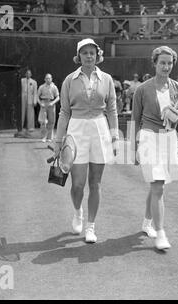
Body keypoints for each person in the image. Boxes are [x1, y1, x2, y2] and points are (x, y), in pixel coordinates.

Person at [53, 38, 119, 243]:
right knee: (78, 185)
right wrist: (58, 142)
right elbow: (64, 112)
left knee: (95, 183)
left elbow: (112, 110)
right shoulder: (68, 80)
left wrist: (115, 136)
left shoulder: (107, 79)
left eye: (92, 52)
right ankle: (77, 212)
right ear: (78, 56)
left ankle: (90, 227)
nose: (89, 56)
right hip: (76, 131)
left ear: (97, 55)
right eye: (85, 53)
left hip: (100, 130)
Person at [131, 46, 178, 250]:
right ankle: (161, 233)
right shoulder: (142, 89)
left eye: (169, 63)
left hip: (169, 139)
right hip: (148, 138)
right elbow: (135, 119)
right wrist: (133, 148)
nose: (166, 66)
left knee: (157, 184)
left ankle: (147, 223)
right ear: (155, 63)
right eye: (162, 62)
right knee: (158, 185)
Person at [37, 73, 60, 142]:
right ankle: (43, 137)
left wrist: (53, 103)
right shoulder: (41, 87)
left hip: (51, 104)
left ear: (51, 79)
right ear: (44, 79)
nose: (48, 79)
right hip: (43, 103)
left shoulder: (54, 87)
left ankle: (49, 137)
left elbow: (58, 97)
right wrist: (40, 103)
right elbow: (37, 96)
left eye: (49, 78)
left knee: (51, 121)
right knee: (43, 121)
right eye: (46, 78)